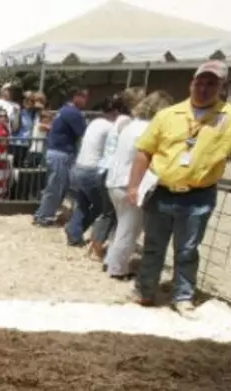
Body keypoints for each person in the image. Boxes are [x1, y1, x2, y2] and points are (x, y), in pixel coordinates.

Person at [128, 60, 231, 317]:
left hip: (198, 196)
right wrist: (134, 186)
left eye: (212, 83)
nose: (204, 87)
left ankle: (183, 297)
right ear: (192, 83)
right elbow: (144, 151)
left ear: (222, 87)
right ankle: (144, 291)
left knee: (187, 250)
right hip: (161, 191)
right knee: (153, 246)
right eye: (200, 81)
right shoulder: (168, 115)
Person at [104, 91, 175, 280]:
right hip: (130, 182)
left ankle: (110, 260)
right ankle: (117, 269)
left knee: (122, 225)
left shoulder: (130, 125)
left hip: (114, 180)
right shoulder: (150, 129)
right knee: (130, 230)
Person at [87, 88, 144, 260]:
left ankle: (98, 245)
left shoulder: (118, 120)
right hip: (114, 170)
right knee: (110, 214)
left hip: (105, 168)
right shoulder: (128, 122)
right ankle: (98, 247)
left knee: (109, 213)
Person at [64, 95, 120, 246]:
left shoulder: (94, 123)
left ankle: (73, 232)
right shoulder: (110, 128)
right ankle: (89, 237)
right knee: (102, 207)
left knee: (83, 203)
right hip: (92, 171)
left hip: (79, 167)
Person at [33, 87, 89, 227]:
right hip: (61, 153)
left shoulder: (63, 110)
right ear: (76, 96)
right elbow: (83, 131)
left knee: (60, 187)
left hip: (57, 152)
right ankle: (42, 216)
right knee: (55, 187)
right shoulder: (72, 113)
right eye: (84, 97)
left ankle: (45, 214)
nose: (86, 100)